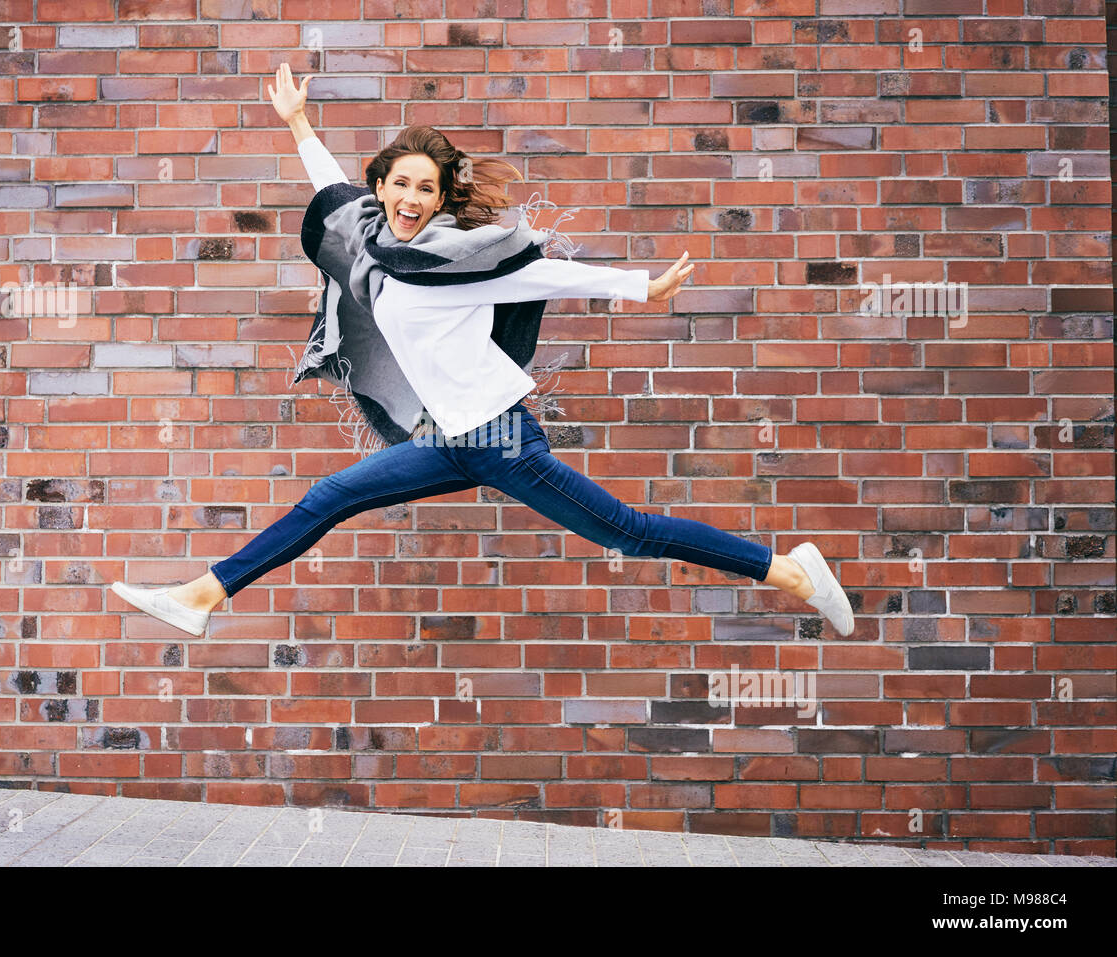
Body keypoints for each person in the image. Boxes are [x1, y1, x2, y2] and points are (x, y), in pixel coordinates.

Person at [110, 63, 854, 640]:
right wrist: (299, 122)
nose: (409, 197)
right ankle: (201, 596)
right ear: (382, 188)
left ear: (439, 200)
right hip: (452, 441)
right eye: (398, 183)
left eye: (424, 189)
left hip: (501, 439)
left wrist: (639, 288)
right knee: (328, 497)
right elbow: (331, 193)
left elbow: (541, 272)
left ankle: (789, 571)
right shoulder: (370, 246)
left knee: (631, 533)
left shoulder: (459, 258)